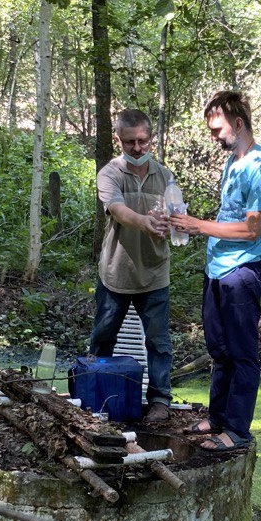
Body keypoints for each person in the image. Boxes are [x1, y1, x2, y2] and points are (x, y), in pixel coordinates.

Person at [170, 90, 261, 450]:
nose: (213, 137)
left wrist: (198, 225)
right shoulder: (233, 163)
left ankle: (236, 432)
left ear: (238, 123)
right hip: (217, 269)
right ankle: (218, 417)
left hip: (242, 272)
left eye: (217, 130)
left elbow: (252, 229)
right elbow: (228, 217)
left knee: (241, 353)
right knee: (219, 349)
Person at [90, 108, 175, 424]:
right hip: (116, 272)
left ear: (151, 138)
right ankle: (95, 393)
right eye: (130, 142)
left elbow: (177, 215)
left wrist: (173, 223)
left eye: (142, 141)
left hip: (155, 272)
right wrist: (144, 221)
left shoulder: (165, 176)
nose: (137, 148)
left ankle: (160, 401)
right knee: (103, 338)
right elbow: (116, 209)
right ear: (118, 140)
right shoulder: (109, 174)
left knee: (159, 343)